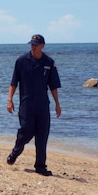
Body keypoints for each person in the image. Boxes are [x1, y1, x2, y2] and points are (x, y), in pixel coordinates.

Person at [6, 34, 62, 176]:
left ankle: (40, 166)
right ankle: (16, 151)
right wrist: (9, 100)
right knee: (26, 131)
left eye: (36, 44)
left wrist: (57, 104)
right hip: (26, 104)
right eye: (31, 44)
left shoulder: (49, 62)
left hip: (43, 104)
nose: (33, 47)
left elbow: (53, 86)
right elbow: (14, 82)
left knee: (42, 135)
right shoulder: (21, 61)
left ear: (42, 45)